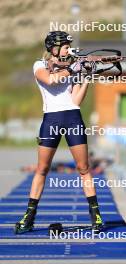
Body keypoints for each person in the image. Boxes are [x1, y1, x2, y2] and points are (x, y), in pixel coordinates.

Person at [14, 31, 103, 234]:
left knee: (83, 168)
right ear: (53, 49)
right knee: (42, 169)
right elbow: (51, 81)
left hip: (72, 117)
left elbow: (76, 100)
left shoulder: (72, 66)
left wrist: (86, 77)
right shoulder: (39, 65)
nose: (68, 49)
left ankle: (96, 216)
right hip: (51, 119)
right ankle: (29, 217)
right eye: (65, 46)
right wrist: (73, 69)